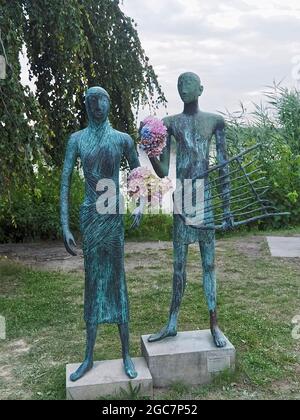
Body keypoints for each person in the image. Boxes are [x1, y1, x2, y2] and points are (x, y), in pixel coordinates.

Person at [60, 86, 143, 382]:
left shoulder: (122, 139)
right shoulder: (77, 140)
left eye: (104, 99)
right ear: (86, 104)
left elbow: (137, 172)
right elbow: (66, 181)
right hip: (90, 216)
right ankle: (89, 356)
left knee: (118, 280)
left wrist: (139, 204)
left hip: (113, 215)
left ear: (110, 103)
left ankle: (126, 355)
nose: (99, 105)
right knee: (93, 281)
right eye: (93, 100)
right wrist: (65, 223)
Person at [148, 72, 233, 347]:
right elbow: (162, 171)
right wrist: (149, 149)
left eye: (189, 84)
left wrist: (227, 207)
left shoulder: (214, 121)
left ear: (201, 88)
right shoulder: (170, 124)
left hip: (204, 197)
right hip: (183, 197)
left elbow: (223, 166)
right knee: (179, 266)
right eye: (179, 85)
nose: (183, 89)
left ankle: (214, 324)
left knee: (209, 263)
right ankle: (172, 322)